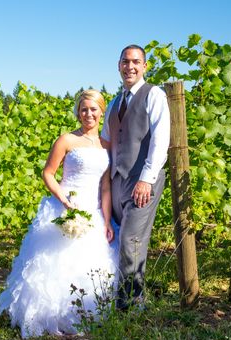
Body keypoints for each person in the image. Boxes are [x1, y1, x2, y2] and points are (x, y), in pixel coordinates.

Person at [0, 89, 119, 338]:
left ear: (102, 111)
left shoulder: (107, 145)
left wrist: (107, 220)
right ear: (78, 112)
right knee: (55, 263)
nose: (88, 114)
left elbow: (105, 186)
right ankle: (47, 317)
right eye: (83, 109)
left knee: (88, 265)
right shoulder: (66, 140)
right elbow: (48, 173)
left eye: (93, 109)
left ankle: (84, 315)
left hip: (93, 212)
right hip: (67, 207)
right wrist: (63, 200)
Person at [100, 44, 170, 310]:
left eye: (135, 62)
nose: (130, 66)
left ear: (144, 66)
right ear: (119, 65)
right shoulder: (115, 104)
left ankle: (130, 306)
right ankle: (116, 301)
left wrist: (146, 179)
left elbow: (161, 141)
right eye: (125, 62)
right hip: (117, 182)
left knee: (131, 241)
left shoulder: (154, 95)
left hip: (141, 181)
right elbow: (106, 143)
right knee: (117, 240)